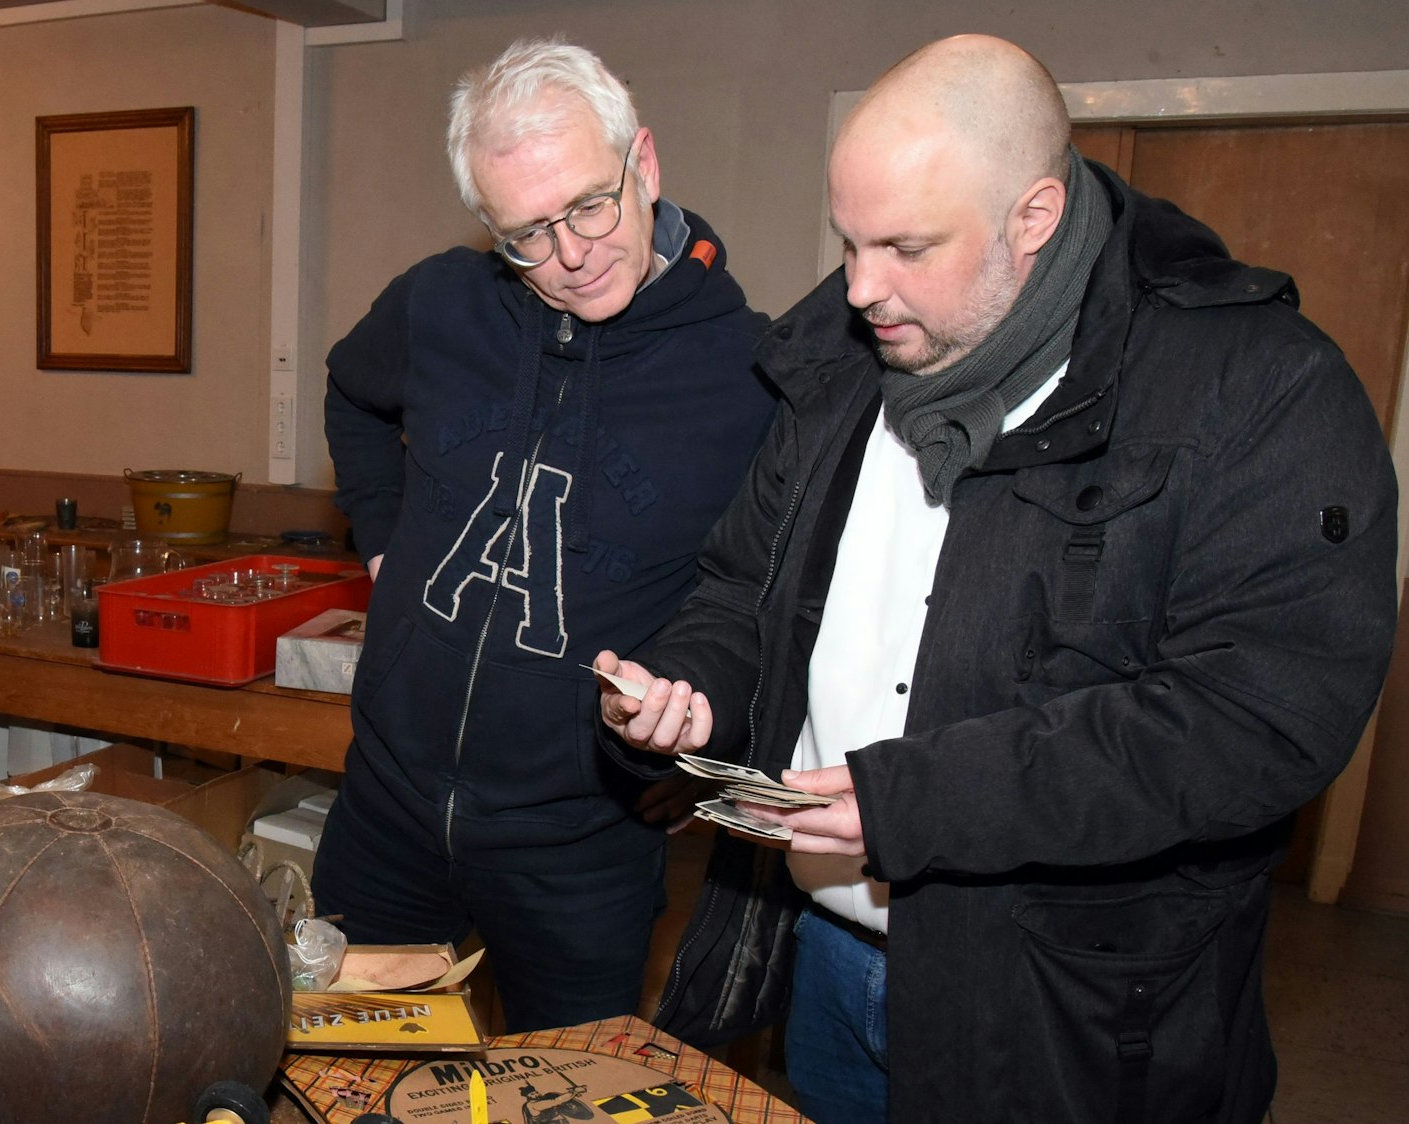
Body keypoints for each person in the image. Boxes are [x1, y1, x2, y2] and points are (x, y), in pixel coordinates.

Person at [598, 34, 1397, 1123]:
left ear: (1035, 216)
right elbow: (746, 585)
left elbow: (1255, 721)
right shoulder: (843, 362)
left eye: (907, 247)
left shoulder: (1256, 386)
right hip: (831, 955)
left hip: (1073, 1006)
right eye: (850, 241)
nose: (860, 287)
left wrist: (917, 798)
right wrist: (691, 680)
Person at [315, 37, 777, 1034]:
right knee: (344, 1084)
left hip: (583, 854)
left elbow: (772, 596)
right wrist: (385, 534)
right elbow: (352, 393)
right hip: (384, 815)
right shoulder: (439, 303)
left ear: (643, 163)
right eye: (526, 233)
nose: (569, 254)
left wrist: (701, 751)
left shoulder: (751, 371)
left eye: (590, 205)